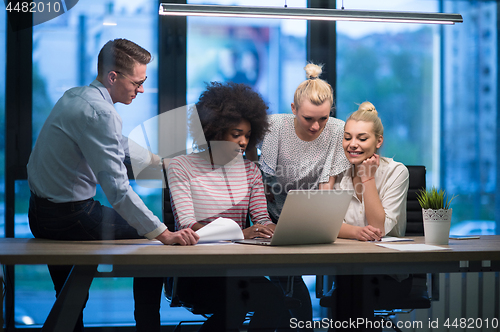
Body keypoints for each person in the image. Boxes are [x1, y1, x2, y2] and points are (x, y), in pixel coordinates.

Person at [27, 38, 199, 332]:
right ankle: (148, 328)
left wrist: (159, 162)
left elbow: (118, 144)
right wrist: (163, 233)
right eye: (137, 82)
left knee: (70, 299)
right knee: (153, 243)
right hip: (69, 218)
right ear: (113, 77)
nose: (141, 89)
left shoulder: (77, 96)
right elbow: (118, 190)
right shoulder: (102, 113)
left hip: (40, 213)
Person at [167, 81, 289, 331]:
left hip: (236, 270)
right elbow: (188, 227)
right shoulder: (181, 166)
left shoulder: (250, 171)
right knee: (237, 302)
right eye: (236, 134)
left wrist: (271, 228)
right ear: (214, 131)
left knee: (276, 301)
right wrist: (240, 233)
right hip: (196, 272)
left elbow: (262, 219)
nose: (244, 142)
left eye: (247, 135)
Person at [255, 63, 351, 331]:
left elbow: (326, 182)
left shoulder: (336, 128)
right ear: (294, 109)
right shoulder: (276, 125)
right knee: (287, 280)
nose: (316, 126)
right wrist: (285, 223)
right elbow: (268, 178)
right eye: (308, 118)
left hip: (311, 212)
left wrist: (317, 220)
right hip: (274, 210)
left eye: (323, 117)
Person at [324, 101, 410, 331]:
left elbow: (378, 229)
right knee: (349, 287)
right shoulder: (337, 172)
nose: (352, 145)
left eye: (362, 139)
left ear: (378, 141)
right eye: (347, 137)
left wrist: (368, 178)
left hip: (385, 271)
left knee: (353, 291)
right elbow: (325, 223)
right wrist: (356, 232)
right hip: (345, 268)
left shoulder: (397, 172)